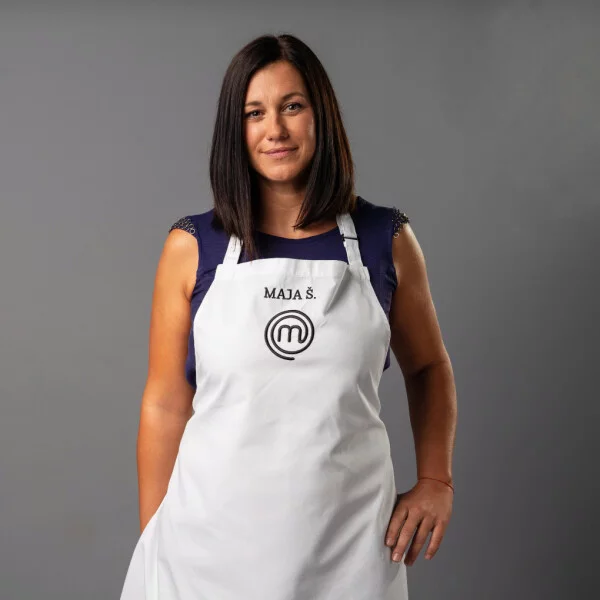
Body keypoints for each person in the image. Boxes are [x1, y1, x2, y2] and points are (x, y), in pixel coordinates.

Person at [120, 33, 456, 600]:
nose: (274, 129)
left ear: (322, 115)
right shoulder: (192, 246)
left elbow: (428, 368)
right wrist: (155, 540)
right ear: (236, 130)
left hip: (349, 551)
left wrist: (436, 480)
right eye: (254, 113)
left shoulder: (386, 239)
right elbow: (165, 401)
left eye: (292, 106)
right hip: (207, 556)